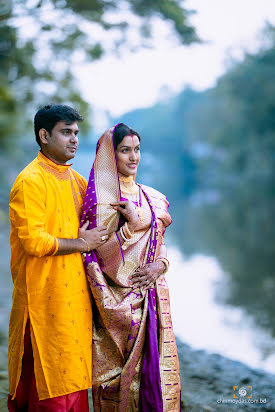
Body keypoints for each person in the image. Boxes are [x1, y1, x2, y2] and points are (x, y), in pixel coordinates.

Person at [8, 104, 109, 411]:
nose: (74, 139)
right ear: (43, 135)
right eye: (66, 132)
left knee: (74, 381)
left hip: (75, 304)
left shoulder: (77, 182)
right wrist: (81, 243)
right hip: (42, 304)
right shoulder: (31, 181)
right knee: (45, 388)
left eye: (76, 133)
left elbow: (101, 224)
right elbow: (34, 241)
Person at [81, 123, 181, 411]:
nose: (133, 156)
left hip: (153, 298)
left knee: (157, 379)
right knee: (117, 384)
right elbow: (95, 257)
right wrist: (130, 228)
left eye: (137, 149)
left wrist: (161, 265)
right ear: (110, 156)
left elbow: (159, 243)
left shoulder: (152, 197)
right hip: (117, 308)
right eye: (125, 150)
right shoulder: (100, 202)